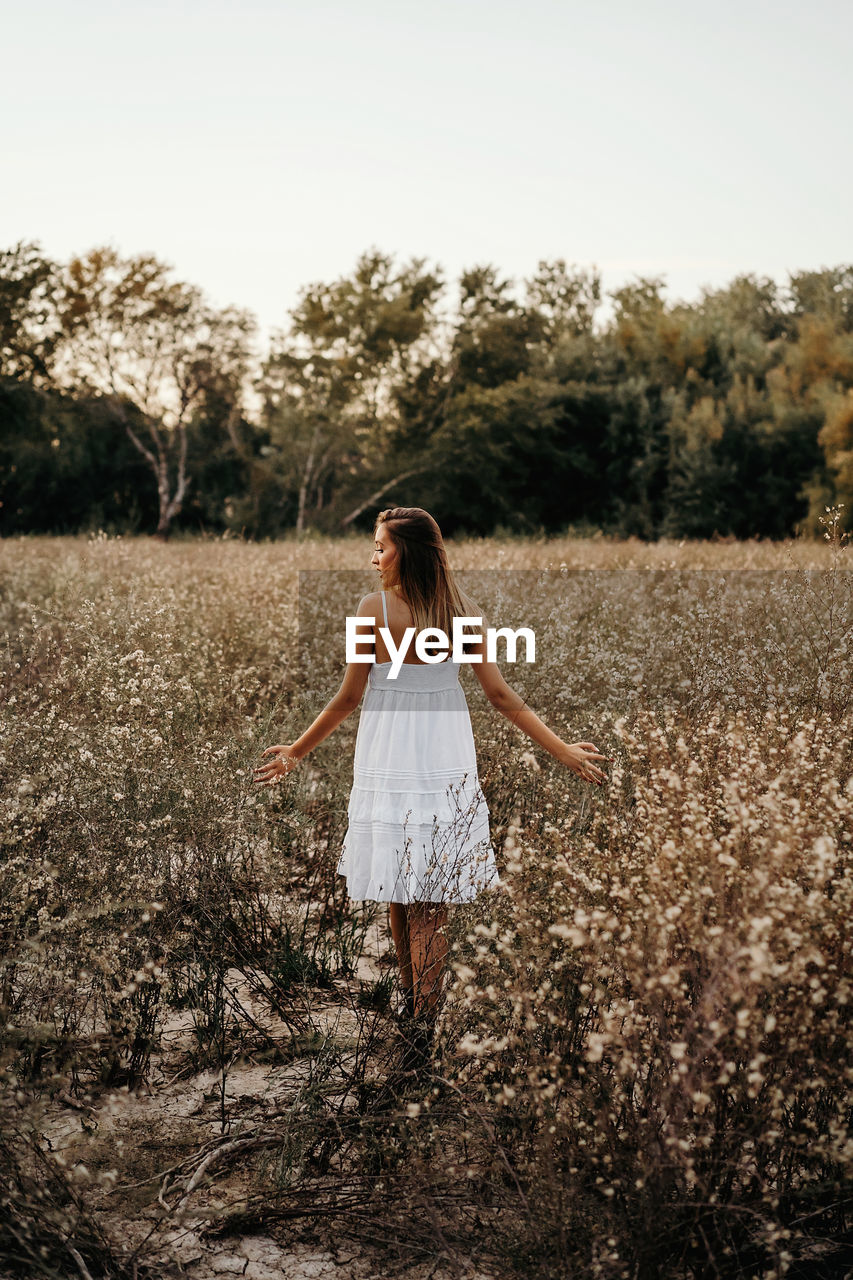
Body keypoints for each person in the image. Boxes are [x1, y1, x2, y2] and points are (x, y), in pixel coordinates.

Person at [254, 507, 607, 1054]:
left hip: (394, 747)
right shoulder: (461, 612)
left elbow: (351, 697)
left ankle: (418, 1016)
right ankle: (419, 1013)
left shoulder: (374, 610)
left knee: (410, 889)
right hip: (438, 748)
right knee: (422, 892)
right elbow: (501, 697)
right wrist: (559, 748)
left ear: (408, 552)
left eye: (381, 547)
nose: (373, 558)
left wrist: (296, 753)